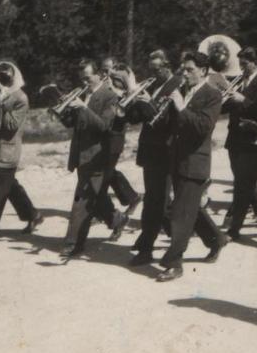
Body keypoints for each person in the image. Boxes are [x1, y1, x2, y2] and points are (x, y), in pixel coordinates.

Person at [157, 52, 225, 281]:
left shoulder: (213, 95)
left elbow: (203, 127)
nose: (185, 74)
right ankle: (216, 239)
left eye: (190, 70)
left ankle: (173, 263)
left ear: (204, 71)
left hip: (195, 162)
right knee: (189, 209)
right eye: (184, 70)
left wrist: (180, 107)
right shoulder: (186, 91)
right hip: (176, 158)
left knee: (180, 214)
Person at [60, 59, 129, 258]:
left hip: (98, 156)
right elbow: (72, 123)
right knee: (95, 198)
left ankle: (73, 243)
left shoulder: (109, 96)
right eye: (82, 79)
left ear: (99, 75)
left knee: (82, 200)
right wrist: (64, 111)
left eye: (88, 78)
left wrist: (83, 108)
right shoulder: (84, 94)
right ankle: (118, 220)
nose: (84, 82)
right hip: (81, 155)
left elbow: (103, 126)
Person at [124, 50, 185, 265]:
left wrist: (147, 102)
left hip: (165, 151)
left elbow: (164, 121)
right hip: (149, 150)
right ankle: (214, 237)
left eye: (157, 69)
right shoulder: (152, 85)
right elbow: (134, 119)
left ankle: (146, 247)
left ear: (167, 66)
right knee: (157, 199)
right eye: (151, 69)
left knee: (155, 201)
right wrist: (131, 100)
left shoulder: (177, 84)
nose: (154, 74)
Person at [0, 61, 43, 246]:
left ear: (15, 76)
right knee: (9, 186)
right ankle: (32, 214)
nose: (3, 79)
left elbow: (12, 125)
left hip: (8, 151)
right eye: (1, 75)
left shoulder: (21, 98)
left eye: (7, 75)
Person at [222, 47, 257, 241]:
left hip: (252, 139)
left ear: (254, 63)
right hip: (234, 138)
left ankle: (234, 228)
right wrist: (225, 96)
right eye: (241, 64)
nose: (242, 68)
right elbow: (224, 108)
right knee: (242, 181)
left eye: (245, 64)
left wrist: (243, 99)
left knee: (242, 184)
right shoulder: (236, 82)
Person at [100, 57, 143, 228]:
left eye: (108, 70)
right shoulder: (102, 85)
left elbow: (130, 106)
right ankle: (131, 197)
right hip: (102, 134)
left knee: (105, 174)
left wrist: (115, 90)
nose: (105, 74)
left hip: (115, 134)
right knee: (107, 171)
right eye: (103, 70)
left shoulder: (122, 83)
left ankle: (112, 215)